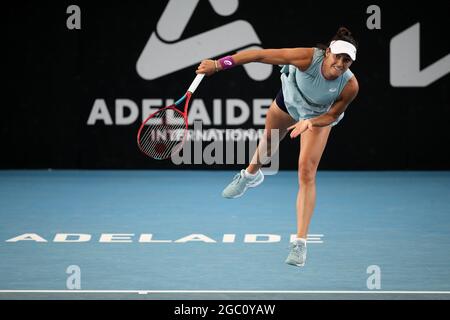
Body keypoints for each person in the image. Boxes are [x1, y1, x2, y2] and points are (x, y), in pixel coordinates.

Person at [196, 27, 359, 267]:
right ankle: (250, 175)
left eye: (347, 60)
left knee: (306, 171)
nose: (341, 63)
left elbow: (334, 114)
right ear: (327, 54)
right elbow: (259, 55)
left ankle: (300, 244)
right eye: (338, 56)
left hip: (316, 118)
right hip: (289, 102)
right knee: (268, 143)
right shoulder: (306, 58)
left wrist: (310, 122)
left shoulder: (350, 86)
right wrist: (220, 65)